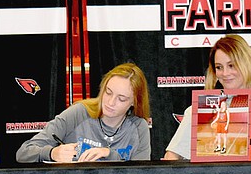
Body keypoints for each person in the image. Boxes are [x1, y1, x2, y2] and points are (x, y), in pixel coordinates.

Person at [16, 62, 151, 162]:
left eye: (121, 99)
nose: (110, 102)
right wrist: (52, 153)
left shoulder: (139, 127)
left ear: (134, 102)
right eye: (108, 92)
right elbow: (23, 153)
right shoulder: (79, 113)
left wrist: (109, 155)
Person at [163, 34, 251, 160]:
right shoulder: (197, 111)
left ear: (247, 64)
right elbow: (171, 156)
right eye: (219, 67)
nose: (225, 73)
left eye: (231, 65)